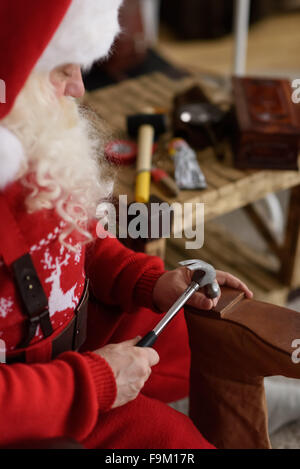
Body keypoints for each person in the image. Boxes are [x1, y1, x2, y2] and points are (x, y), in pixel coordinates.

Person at [0, 0, 252, 449]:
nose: (78, 87)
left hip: (69, 345)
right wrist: (96, 381)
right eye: (60, 69)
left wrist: (152, 281)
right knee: (174, 444)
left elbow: (83, 244)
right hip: (32, 407)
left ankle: (246, 398)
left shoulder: (27, 143)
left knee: (187, 328)